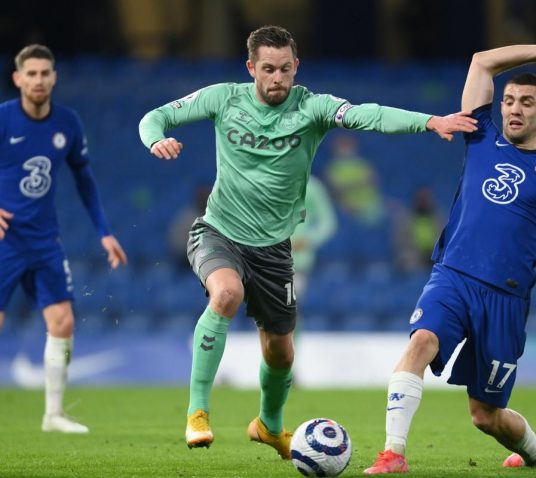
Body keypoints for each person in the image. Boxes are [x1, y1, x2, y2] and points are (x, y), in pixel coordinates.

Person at [138, 25, 477, 458]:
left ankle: (269, 425)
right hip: (219, 232)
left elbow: (368, 115)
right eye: (267, 69)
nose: (277, 78)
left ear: (296, 66)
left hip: (276, 249)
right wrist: (157, 140)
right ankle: (198, 412)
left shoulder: (314, 108)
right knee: (225, 294)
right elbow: (154, 117)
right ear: (251, 69)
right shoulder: (223, 98)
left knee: (280, 350)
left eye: (285, 69)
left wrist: (429, 121)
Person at [364, 44, 536, 474]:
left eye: (526, 102)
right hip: (453, 276)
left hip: (505, 299)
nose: (513, 110)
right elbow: (481, 61)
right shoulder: (481, 135)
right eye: (508, 101)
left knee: (485, 415)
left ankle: (535, 449)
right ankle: (393, 453)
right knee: (420, 343)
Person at [0, 44, 127, 433]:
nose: (39, 80)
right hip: (5, 241)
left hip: (44, 240)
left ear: (54, 77)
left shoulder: (67, 124)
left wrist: (104, 232)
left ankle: (53, 414)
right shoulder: (3, 119)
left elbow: (84, 181)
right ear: (18, 78)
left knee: (62, 322)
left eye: (45, 73)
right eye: (31, 73)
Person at [291, 175, 337, 298]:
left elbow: (328, 223)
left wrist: (308, 240)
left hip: (297, 261)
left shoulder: (311, 187)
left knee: (287, 304)